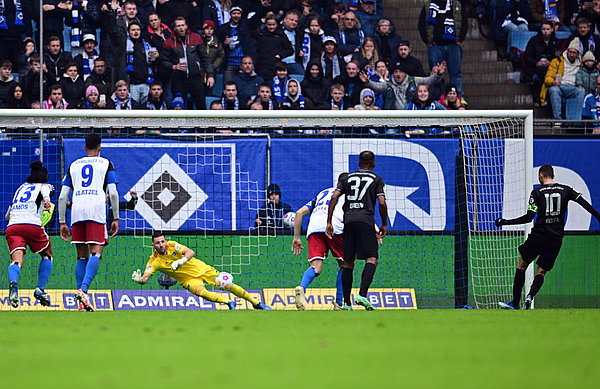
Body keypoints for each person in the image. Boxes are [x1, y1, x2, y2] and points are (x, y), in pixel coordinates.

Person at [496, 164, 600, 310]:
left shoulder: (536, 192)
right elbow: (585, 204)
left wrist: (506, 222)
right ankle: (530, 296)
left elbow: (528, 217)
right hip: (555, 239)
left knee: (522, 265)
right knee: (541, 272)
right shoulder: (566, 190)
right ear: (553, 176)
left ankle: (514, 303)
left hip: (538, 236)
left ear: (540, 176)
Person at [58, 133, 120, 312]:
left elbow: (63, 196)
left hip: (77, 210)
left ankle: (81, 302)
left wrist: (62, 222)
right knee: (96, 254)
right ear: (100, 147)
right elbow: (113, 193)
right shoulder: (106, 163)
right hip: (96, 210)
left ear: (84, 148)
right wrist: (115, 217)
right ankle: (83, 290)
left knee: (81, 256)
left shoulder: (74, 165)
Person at [132, 231, 271, 310]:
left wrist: (181, 261)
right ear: (153, 245)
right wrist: (140, 280)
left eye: (162, 241)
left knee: (227, 285)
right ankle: (228, 303)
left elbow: (190, 252)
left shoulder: (173, 245)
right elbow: (145, 278)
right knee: (202, 293)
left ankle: (256, 303)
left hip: (201, 269)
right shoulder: (154, 260)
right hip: (188, 280)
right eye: (158, 243)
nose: (161, 245)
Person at [326, 150, 387, 311]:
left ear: (358, 163)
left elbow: (334, 197)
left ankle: (346, 303)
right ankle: (362, 294)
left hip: (349, 220)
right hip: (366, 220)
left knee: (347, 263)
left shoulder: (347, 178)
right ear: (373, 164)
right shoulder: (377, 179)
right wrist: (384, 224)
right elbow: (381, 202)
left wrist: (329, 221)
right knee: (371, 259)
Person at [292, 173, 349, 310]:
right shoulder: (348, 196)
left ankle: (302, 288)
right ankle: (339, 303)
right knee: (345, 265)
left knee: (316, 267)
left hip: (314, 228)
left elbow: (299, 213)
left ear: (337, 184)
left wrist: (296, 238)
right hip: (334, 227)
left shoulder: (322, 193)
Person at [4, 161, 55, 308]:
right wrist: (46, 200)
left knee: (16, 261)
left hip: (13, 226)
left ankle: (13, 284)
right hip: (32, 224)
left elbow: (8, 214)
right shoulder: (45, 186)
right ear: (44, 177)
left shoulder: (20, 189)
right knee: (47, 255)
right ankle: (40, 289)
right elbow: (46, 191)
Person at [161, 17, 215, 110]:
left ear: (186, 26)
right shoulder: (169, 42)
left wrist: (210, 75)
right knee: (178, 108)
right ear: (174, 28)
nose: (181, 28)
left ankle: (202, 125)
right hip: (179, 80)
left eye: (183, 25)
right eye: (178, 26)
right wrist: (173, 66)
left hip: (196, 78)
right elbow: (163, 61)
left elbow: (205, 59)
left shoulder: (196, 38)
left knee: (201, 107)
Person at [418, 0, 468, 95]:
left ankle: (458, 97)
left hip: (453, 45)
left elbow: (464, 21)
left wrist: (460, 39)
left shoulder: (457, 4)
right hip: (435, 46)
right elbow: (421, 24)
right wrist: (426, 40)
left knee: (456, 73)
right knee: (436, 74)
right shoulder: (428, 6)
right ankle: (437, 97)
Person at [363, 60, 446, 111]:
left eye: (401, 72)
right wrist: (367, 81)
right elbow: (376, 86)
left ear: (405, 73)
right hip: (393, 120)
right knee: (391, 133)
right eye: (396, 72)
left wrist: (438, 74)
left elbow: (428, 80)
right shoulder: (388, 84)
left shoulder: (414, 81)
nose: (398, 74)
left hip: (411, 118)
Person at [541, 37, 585, 121]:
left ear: (578, 54)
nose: (572, 55)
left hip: (573, 87)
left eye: (574, 53)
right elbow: (547, 78)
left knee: (581, 91)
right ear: (567, 51)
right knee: (554, 90)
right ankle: (557, 120)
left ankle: (574, 121)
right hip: (560, 86)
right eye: (570, 52)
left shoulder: (581, 63)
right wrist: (553, 82)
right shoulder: (557, 61)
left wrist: (581, 85)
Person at [524, 21, 560, 99]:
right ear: (540, 29)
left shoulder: (556, 42)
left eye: (547, 29)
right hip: (535, 67)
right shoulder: (533, 41)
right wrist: (536, 63)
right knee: (542, 71)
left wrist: (550, 62)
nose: (545, 31)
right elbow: (527, 57)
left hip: (552, 67)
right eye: (543, 29)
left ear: (552, 29)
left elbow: (559, 58)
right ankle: (541, 97)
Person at [255, 12, 294, 81]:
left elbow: (290, 50)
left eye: (273, 25)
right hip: (262, 66)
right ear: (266, 25)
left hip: (275, 66)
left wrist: (280, 55)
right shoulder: (261, 34)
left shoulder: (281, 34)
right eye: (269, 25)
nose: (271, 27)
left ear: (276, 24)